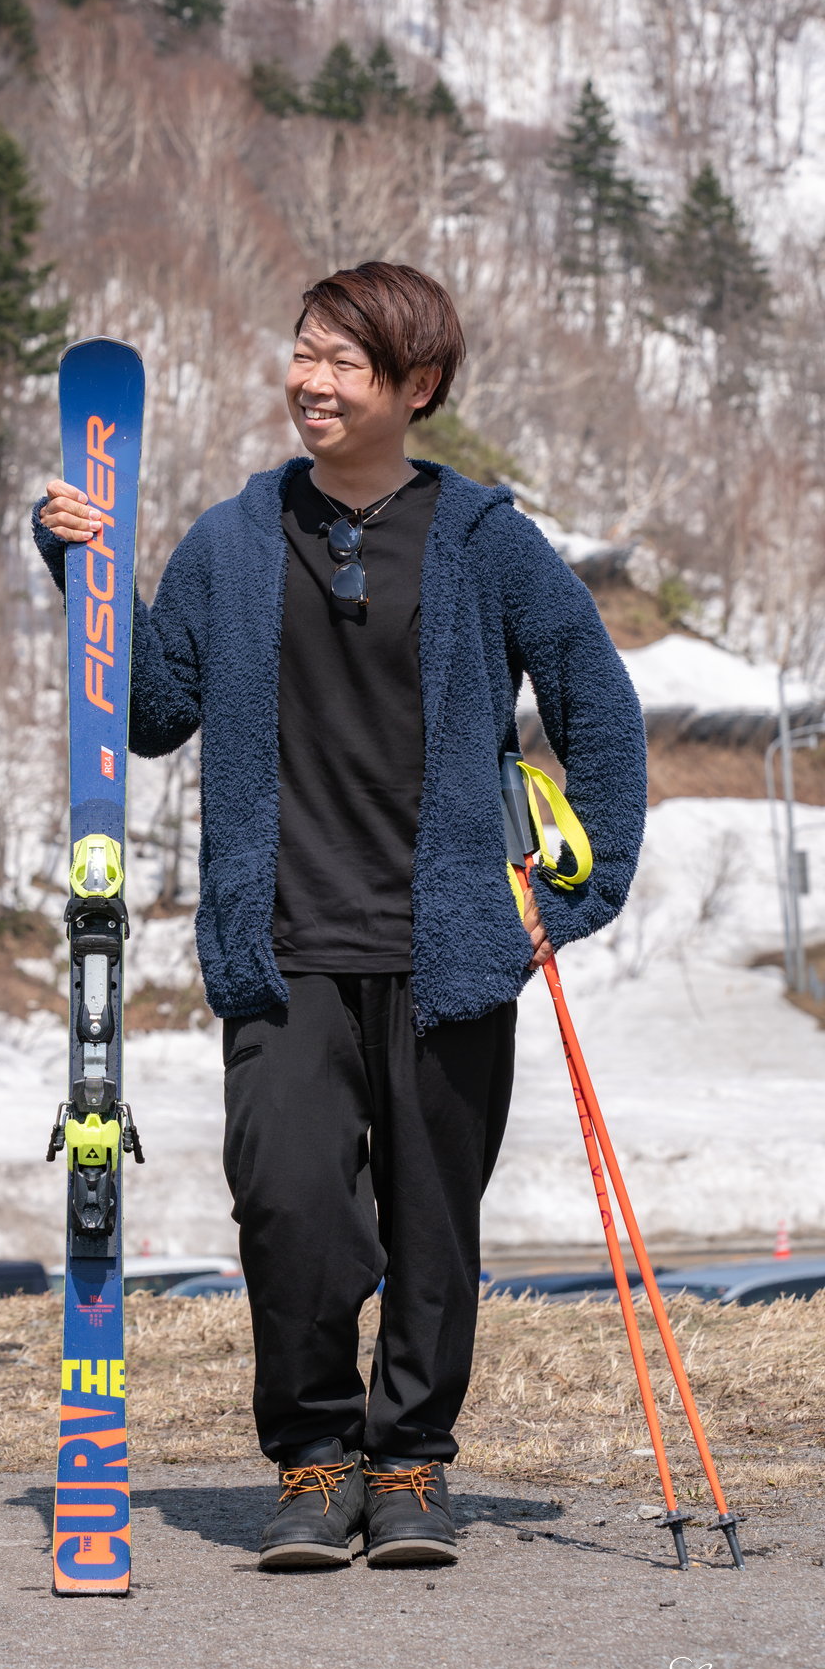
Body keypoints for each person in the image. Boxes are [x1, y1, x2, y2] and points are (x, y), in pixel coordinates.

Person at [34, 260, 646, 1571]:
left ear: (415, 388)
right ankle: (314, 1458)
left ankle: (411, 1465)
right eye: (303, 351)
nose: (310, 379)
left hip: (451, 947)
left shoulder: (488, 541)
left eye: (343, 362)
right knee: (292, 1201)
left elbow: (597, 697)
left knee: (436, 1226)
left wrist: (569, 895)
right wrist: (84, 570)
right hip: (284, 937)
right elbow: (149, 716)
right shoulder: (235, 538)